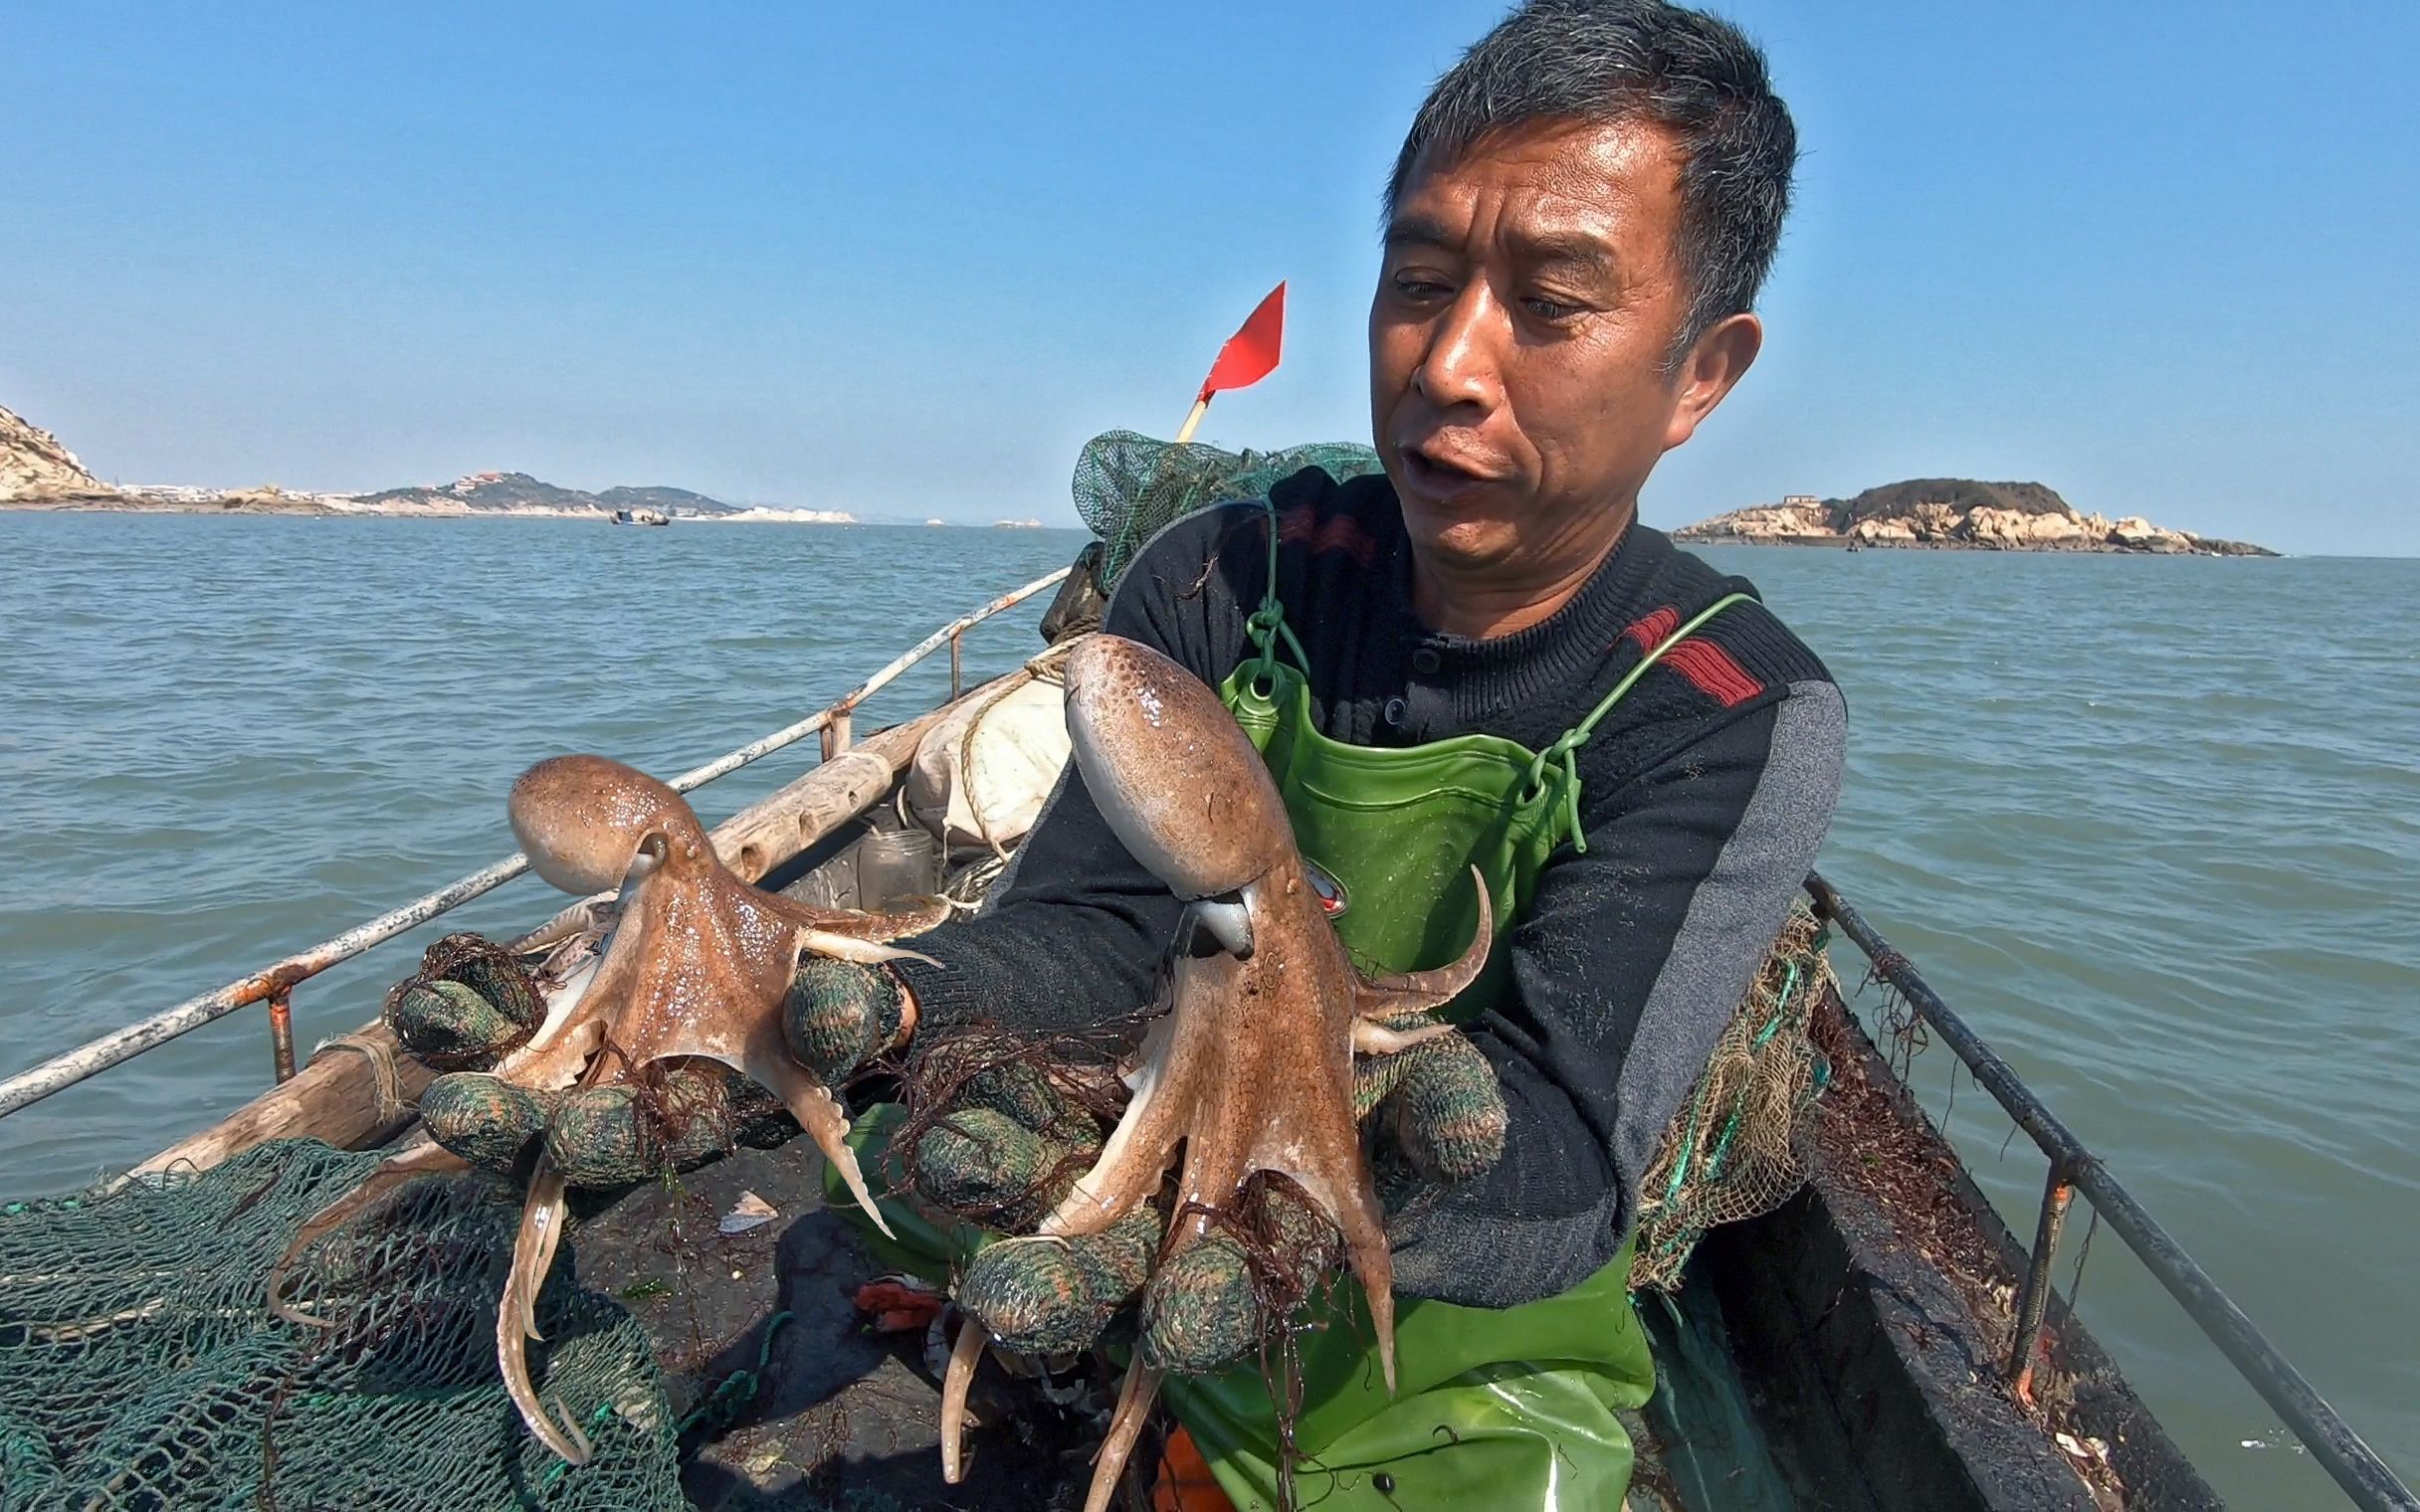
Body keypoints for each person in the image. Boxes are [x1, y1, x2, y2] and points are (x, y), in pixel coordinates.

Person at [397, 2, 1843, 1506]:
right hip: (1120, 1176)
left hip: (1456, 1362)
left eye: (1551, 303)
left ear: (1700, 374)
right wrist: (868, 1000)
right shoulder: (1219, 582)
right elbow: (1092, 932)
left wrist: (1324, 1158)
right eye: (1417, 281)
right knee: (951, 1181)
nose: (1451, 361)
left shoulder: (1731, 710)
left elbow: (1566, 1154)